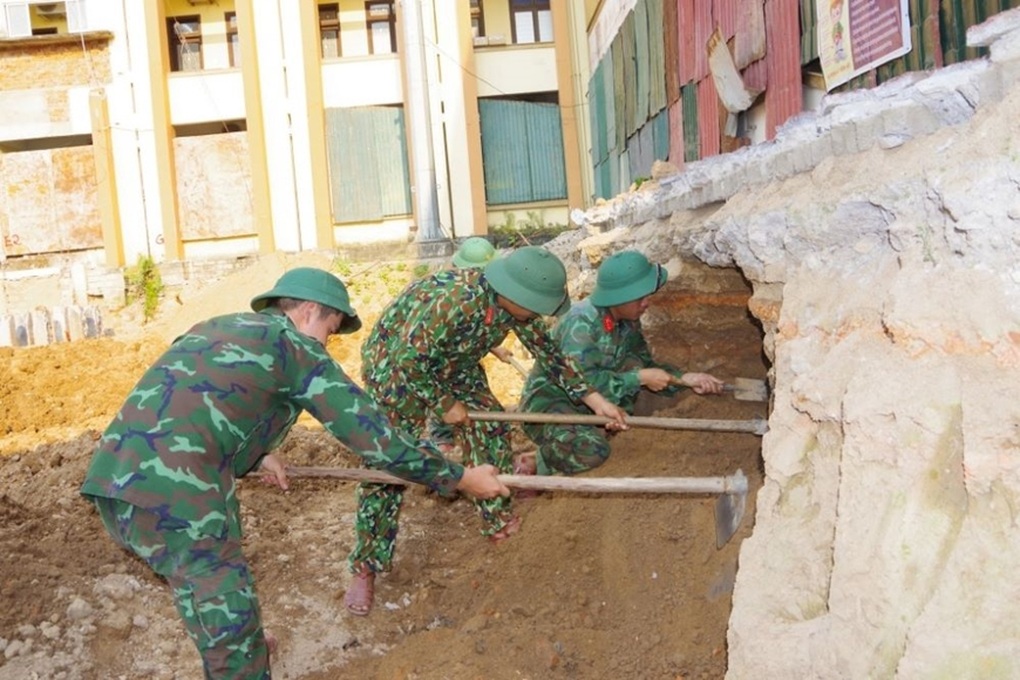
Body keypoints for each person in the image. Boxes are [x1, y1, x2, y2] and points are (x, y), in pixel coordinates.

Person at [79, 267, 509, 680]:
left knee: (201, 583)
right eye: (331, 329)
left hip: (116, 479)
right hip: (177, 494)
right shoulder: (297, 349)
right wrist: (459, 477)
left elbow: (200, 398)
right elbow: (378, 441)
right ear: (309, 312)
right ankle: (239, 654)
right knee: (225, 603)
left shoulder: (220, 326)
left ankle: (239, 644)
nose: (328, 343)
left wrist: (260, 453)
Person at [345, 246, 628, 616]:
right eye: (536, 307)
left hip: (454, 362)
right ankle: (366, 564)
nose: (539, 315)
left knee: (490, 422)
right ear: (515, 296)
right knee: (390, 459)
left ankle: (494, 513)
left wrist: (593, 399)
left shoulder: (518, 310)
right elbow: (408, 360)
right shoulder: (457, 302)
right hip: (395, 364)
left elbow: (551, 354)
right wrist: (445, 405)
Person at [518, 250, 725, 477]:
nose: (646, 303)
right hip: (552, 402)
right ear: (618, 297)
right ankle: (536, 463)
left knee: (632, 366)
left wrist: (685, 380)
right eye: (639, 297)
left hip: (591, 403)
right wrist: (640, 378)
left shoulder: (628, 322)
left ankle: (592, 429)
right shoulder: (581, 323)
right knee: (594, 451)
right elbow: (579, 383)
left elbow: (644, 363)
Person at [429, 236, 511, 453]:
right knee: (440, 399)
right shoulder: (450, 295)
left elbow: (475, 330)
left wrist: (496, 349)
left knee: (475, 402)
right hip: (435, 361)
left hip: (463, 361)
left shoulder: (486, 294)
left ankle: (472, 446)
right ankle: (442, 443)